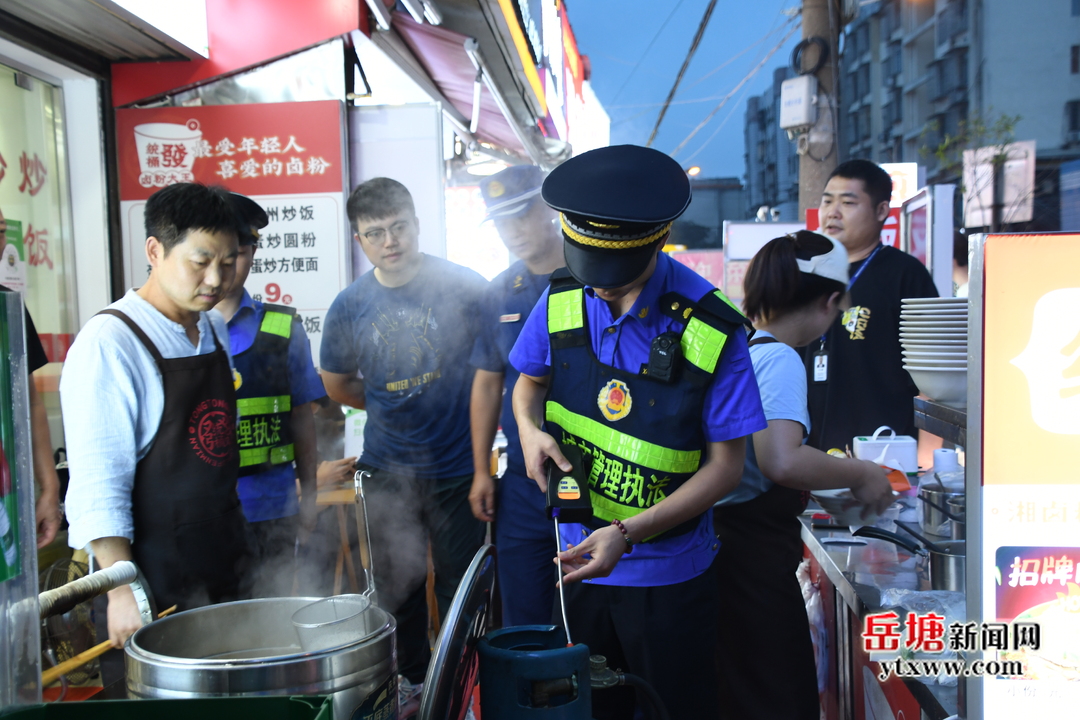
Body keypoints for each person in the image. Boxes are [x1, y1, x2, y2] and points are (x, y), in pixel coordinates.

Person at [509, 145, 766, 720]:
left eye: (617, 277)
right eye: (589, 270)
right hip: (578, 559)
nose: (600, 289)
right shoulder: (562, 298)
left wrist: (628, 532)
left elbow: (726, 468)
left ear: (658, 240)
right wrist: (528, 431)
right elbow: (527, 386)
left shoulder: (713, 327)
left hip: (669, 575)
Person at [713, 231, 895, 720]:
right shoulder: (780, 358)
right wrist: (861, 471)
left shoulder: (743, 348)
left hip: (726, 554)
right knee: (774, 697)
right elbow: (781, 459)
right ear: (829, 301)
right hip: (749, 564)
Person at [61, 183, 252, 648]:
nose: (216, 280)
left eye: (227, 263)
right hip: (152, 583)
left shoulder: (212, 327)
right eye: (200, 262)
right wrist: (122, 592)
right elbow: (99, 482)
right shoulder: (111, 342)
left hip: (225, 559)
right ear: (155, 249)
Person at [320, 177, 487, 692]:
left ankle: (465, 686)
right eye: (375, 233)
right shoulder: (350, 305)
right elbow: (336, 382)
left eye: (398, 228)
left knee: (465, 585)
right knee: (397, 587)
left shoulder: (463, 285)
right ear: (359, 239)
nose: (389, 241)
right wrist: (389, 403)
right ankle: (411, 686)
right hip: (388, 466)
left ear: (415, 225)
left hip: (458, 467)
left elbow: (492, 372)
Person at [214, 193, 325, 596]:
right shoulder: (172, 331)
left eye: (240, 252)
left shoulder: (283, 327)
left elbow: (302, 418)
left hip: (271, 506)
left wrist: (309, 495)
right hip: (201, 514)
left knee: (271, 616)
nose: (226, 266)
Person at [467, 165, 564, 626]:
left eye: (522, 215)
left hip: (593, 470)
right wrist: (480, 471)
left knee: (587, 611)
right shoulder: (500, 293)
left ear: (548, 209)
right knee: (523, 617)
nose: (513, 231)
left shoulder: (592, 278)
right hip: (523, 480)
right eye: (502, 221)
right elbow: (488, 383)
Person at [805, 159, 938, 453]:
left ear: (881, 212)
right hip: (809, 459)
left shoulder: (905, 274)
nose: (832, 213)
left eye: (848, 203)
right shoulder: (808, 274)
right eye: (827, 202)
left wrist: (925, 461)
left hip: (884, 454)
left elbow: (933, 379)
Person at [0, 206, 62, 549]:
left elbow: (30, 403)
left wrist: (49, 488)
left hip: (7, 495)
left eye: (0, 231)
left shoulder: (8, 307)